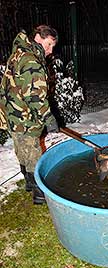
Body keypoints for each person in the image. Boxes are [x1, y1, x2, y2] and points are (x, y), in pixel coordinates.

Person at [0, 24, 59, 204]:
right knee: (33, 153)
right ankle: (40, 194)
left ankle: (28, 183)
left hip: (12, 113)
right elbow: (35, 97)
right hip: (25, 116)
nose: (50, 51)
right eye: (49, 45)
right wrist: (49, 118)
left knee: (21, 148)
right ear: (38, 38)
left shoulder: (19, 52)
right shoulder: (32, 60)